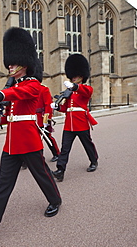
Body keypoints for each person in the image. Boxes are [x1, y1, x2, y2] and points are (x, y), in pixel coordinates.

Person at [0, 27, 62, 240]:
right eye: (9, 62)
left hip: (28, 140)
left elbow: (18, 95)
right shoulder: (15, 85)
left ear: (24, 62)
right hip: (11, 144)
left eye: (13, 62)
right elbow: (12, 115)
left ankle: (55, 200)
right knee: (3, 183)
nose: (10, 66)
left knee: (42, 174)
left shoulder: (33, 85)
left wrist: (0, 94)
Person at [51, 54, 99, 182]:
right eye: (72, 77)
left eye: (75, 77)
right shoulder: (69, 93)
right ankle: (60, 170)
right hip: (69, 124)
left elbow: (85, 92)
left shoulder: (86, 88)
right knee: (65, 148)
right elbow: (66, 108)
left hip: (81, 123)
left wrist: (75, 87)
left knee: (87, 144)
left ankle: (94, 160)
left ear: (81, 77)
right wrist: (56, 107)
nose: (73, 78)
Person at [36, 84, 60, 162]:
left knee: (47, 137)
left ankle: (56, 153)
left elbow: (48, 104)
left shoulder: (44, 89)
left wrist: (47, 119)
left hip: (42, 118)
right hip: (32, 118)